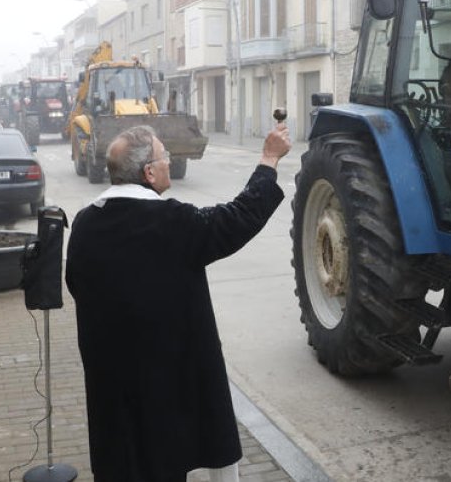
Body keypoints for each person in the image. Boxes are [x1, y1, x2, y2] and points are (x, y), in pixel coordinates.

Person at [65, 124, 292, 482]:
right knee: (162, 459)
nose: (169, 162)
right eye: (164, 156)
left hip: (111, 384)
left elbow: (76, 284)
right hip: (166, 387)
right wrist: (268, 160)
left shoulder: (86, 223)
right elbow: (238, 218)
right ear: (149, 172)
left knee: (123, 460)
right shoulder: (172, 222)